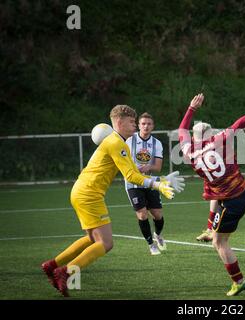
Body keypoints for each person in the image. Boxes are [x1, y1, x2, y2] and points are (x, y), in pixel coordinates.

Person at [41, 105, 184, 297]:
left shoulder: (115, 142)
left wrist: (161, 180)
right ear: (119, 122)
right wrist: (157, 185)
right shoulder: (117, 143)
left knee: (92, 239)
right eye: (132, 122)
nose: (135, 125)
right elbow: (131, 176)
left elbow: (134, 171)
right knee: (106, 243)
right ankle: (64, 273)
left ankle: (51, 266)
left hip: (81, 191)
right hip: (89, 194)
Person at [178, 93, 245, 296]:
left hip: (232, 201)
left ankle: (239, 281)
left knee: (219, 243)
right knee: (215, 197)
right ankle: (211, 227)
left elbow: (182, 129)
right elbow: (239, 123)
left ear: (193, 138)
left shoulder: (188, 152)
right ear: (210, 135)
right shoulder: (219, 141)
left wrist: (191, 108)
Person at [125, 112, 170, 255]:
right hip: (133, 183)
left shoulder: (156, 143)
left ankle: (158, 234)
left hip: (150, 183)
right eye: (143, 123)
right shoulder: (128, 141)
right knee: (142, 214)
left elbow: (157, 167)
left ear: (153, 126)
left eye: (149, 124)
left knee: (157, 215)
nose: (146, 126)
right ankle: (151, 245)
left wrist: (148, 167)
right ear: (138, 125)